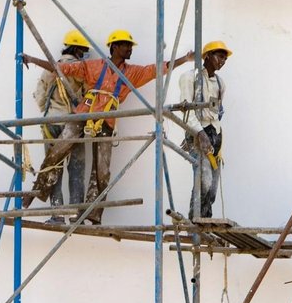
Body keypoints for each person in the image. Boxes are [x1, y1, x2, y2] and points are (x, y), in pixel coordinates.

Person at [21, 29, 194, 224]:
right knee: (57, 152)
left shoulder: (132, 73)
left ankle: (92, 214)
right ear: (114, 47)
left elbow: (157, 69)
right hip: (84, 114)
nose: (130, 49)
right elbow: (62, 69)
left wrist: (184, 60)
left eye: (130, 45)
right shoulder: (94, 67)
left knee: (101, 170)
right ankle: (36, 191)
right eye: (126, 45)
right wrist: (33, 59)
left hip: (107, 121)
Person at [33, 30, 90, 225]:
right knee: (76, 169)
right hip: (73, 124)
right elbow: (87, 97)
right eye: (83, 51)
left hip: (51, 123)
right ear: (76, 50)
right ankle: (75, 216)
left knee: (53, 168)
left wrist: (50, 110)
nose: (84, 55)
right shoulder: (82, 70)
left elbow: (40, 97)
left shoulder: (50, 68)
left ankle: (56, 214)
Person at [178, 40, 231, 220]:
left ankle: (205, 222)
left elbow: (218, 111)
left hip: (215, 134)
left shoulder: (220, 83)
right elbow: (186, 112)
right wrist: (198, 133)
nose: (222, 61)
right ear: (207, 56)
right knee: (204, 182)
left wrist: (215, 136)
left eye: (224, 58)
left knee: (213, 188)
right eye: (219, 56)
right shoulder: (190, 77)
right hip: (198, 132)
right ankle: (196, 222)